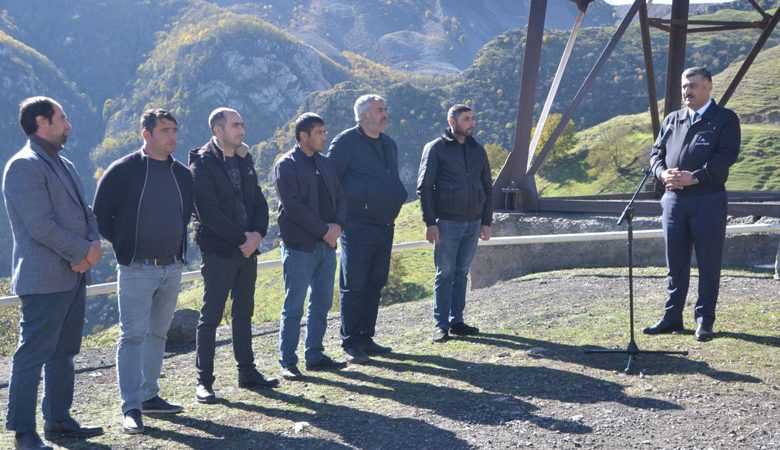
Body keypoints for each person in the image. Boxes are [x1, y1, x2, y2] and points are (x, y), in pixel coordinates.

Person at [3, 96, 104, 450]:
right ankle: (23, 432)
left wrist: (91, 250)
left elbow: (86, 213)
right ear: (41, 122)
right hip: (44, 279)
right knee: (32, 355)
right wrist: (81, 252)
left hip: (74, 274)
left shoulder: (65, 164)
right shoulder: (23, 166)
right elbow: (40, 226)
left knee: (64, 352)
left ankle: (59, 420)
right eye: (62, 118)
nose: (68, 123)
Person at [93, 108, 193, 434]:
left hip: (171, 267)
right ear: (146, 134)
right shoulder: (124, 170)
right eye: (165, 130)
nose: (172, 136)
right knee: (132, 336)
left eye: (175, 129)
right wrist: (125, 245)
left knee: (158, 333)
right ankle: (131, 407)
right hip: (136, 268)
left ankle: (150, 395)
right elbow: (102, 215)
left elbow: (185, 215)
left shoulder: (182, 174)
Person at [645, 66, 740, 342]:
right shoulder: (673, 119)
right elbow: (655, 153)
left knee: (709, 262)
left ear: (709, 87)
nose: (687, 91)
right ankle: (672, 317)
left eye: (693, 86)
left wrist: (694, 178)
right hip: (673, 201)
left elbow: (727, 156)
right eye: (684, 86)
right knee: (675, 262)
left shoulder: (724, 119)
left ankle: (704, 321)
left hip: (708, 200)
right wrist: (662, 173)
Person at [190, 107, 277, 403]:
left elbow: (259, 201)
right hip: (219, 251)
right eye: (235, 125)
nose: (241, 130)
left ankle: (247, 372)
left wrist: (257, 234)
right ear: (218, 130)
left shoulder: (244, 158)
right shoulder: (202, 163)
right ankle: (204, 381)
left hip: (247, 249)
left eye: (242, 124)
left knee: (244, 313)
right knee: (211, 316)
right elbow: (208, 213)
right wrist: (243, 238)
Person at [327, 94, 408, 364]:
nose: (385, 114)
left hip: (385, 224)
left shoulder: (389, 144)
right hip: (357, 225)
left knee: (375, 283)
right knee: (355, 285)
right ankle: (350, 341)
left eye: (385, 109)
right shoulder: (346, 142)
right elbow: (330, 180)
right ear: (363, 117)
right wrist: (336, 219)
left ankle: (366, 337)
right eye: (379, 110)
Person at [273, 113, 348, 380]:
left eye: (324, 131)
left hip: (326, 247)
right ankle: (288, 362)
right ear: (303, 136)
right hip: (299, 247)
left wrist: (338, 225)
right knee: (294, 305)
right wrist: (325, 230)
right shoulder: (287, 165)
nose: (324, 136)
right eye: (319, 132)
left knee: (322, 303)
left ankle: (314, 355)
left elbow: (340, 196)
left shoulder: (326, 164)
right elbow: (293, 207)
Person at [417, 104, 493, 343]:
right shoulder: (436, 149)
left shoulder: (478, 150)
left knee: (462, 272)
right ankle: (441, 325)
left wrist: (486, 221)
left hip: (473, 222)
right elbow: (425, 187)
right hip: (447, 222)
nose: (472, 123)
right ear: (452, 121)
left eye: (472, 118)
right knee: (445, 272)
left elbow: (488, 188)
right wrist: (430, 222)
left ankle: (457, 320)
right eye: (466, 119)